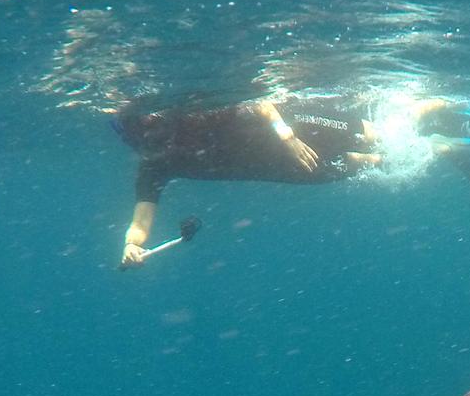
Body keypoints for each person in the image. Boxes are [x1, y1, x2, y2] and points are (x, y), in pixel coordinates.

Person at [114, 96, 381, 269]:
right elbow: (140, 221)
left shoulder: (192, 119)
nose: (152, 146)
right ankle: (390, 157)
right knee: (361, 163)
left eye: (152, 136)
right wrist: (132, 246)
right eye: (142, 142)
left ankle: (413, 111)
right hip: (275, 166)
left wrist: (288, 138)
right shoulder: (153, 166)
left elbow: (262, 106)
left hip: (289, 127)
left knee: (375, 135)